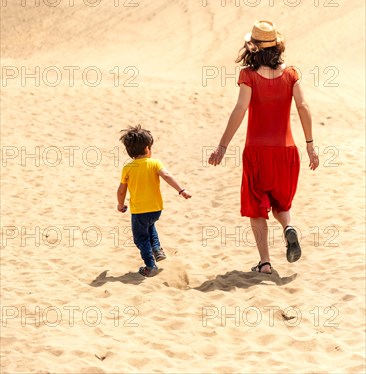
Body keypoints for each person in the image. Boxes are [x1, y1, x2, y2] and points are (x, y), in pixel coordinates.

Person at [209, 20, 319, 274]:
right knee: (282, 203)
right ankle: (288, 228)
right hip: (287, 151)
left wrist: (222, 146)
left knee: (257, 206)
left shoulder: (248, 75)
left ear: (253, 49)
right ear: (277, 47)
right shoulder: (292, 74)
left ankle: (265, 263)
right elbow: (304, 107)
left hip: (257, 152)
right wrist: (310, 146)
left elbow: (240, 109)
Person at [116, 125, 191, 277]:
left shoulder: (128, 168)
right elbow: (167, 176)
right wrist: (181, 190)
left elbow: (121, 190)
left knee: (141, 238)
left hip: (139, 211)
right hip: (156, 209)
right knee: (150, 226)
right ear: (147, 148)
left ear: (129, 152)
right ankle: (157, 249)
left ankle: (150, 265)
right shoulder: (155, 163)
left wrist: (120, 204)